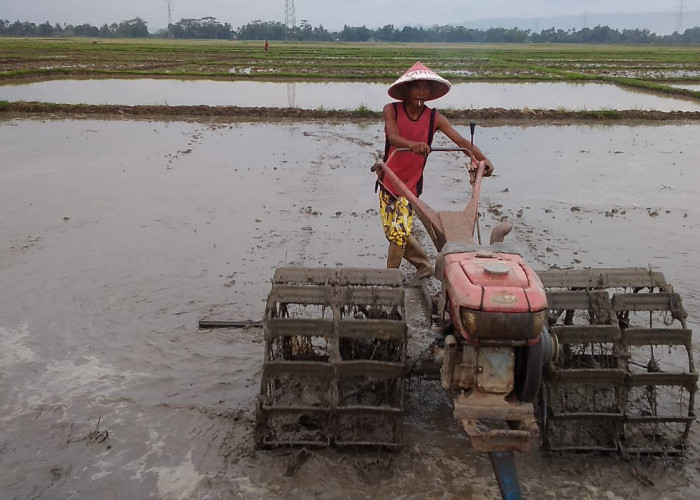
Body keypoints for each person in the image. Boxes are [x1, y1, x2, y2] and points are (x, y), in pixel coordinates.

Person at [378, 62, 494, 279]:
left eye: (425, 88)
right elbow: (393, 137)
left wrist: (483, 159)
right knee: (394, 233)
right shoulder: (391, 109)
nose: (421, 92)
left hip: (411, 187)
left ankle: (389, 281)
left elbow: (461, 141)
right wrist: (413, 144)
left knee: (398, 234)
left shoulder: (434, 118)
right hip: (389, 181)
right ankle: (423, 263)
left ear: (430, 92)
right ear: (406, 90)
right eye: (416, 87)